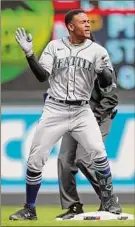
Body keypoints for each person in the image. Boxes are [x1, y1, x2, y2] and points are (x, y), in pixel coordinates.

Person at [9, 9, 122, 220]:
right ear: (70, 26)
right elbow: (42, 76)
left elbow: (107, 86)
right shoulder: (54, 46)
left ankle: (110, 202)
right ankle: (29, 208)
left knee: (97, 153)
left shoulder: (98, 51)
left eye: (89, 21)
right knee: (36, 160)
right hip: (55, 109)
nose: (88, 25)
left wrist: (103, 72)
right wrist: (29, 54)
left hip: (82, 110)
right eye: (83, 22)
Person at [56, 70, 118, 220]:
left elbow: (111, 98)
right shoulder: (64, 63)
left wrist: (93, 119)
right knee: (64, 161)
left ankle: (109, 200)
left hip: (98, 116)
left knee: (84, 158)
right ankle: (73, 206)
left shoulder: (100, 61)